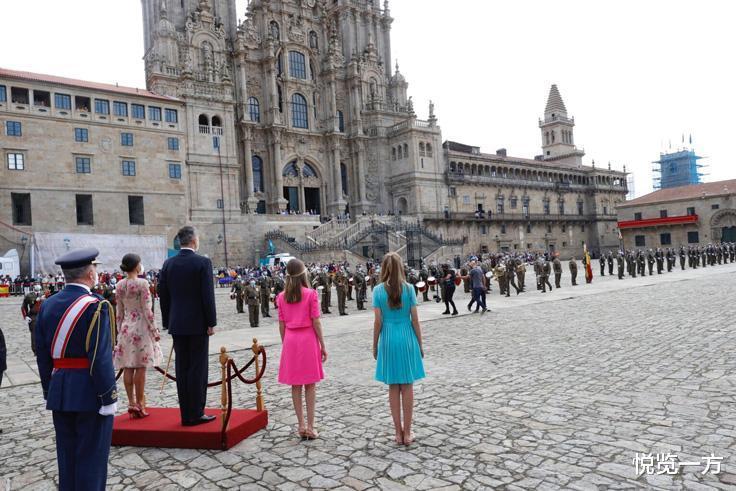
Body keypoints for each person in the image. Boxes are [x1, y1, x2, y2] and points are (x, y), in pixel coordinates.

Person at [35, 248, 118, 491]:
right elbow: (100, 357)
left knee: (67, 459)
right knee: (92, 459)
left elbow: (42, 354)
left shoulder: (48, 305)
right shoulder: (97, 306)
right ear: (91, 274)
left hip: (60, 390)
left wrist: (49, 391)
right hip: (90, 392)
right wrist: (108, 396)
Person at [159, 226, 217, 427]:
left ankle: (186, 413)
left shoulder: (168, 264)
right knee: (197, 369)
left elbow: (163, 296)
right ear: (193, 241)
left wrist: (168, 321)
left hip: (177, 324)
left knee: (182, 369)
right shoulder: (202, 262)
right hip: (198, 324)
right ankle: (196, 412)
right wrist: (211, 322)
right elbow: (207, 296)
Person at [372, 252, 425, 446]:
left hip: (388, 338)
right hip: (406, 336)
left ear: (384, 268)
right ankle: (408, 432)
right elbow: (415, 320)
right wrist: (420, 343)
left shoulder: (378, 291)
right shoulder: (409, 288)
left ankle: (397, 432)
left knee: (393, 386)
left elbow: (378, 322)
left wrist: (374, 343)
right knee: (407, 385)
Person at [277, 258, 327, 440]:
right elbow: (316, 321)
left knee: (295, 385)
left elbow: (281, 325)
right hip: (307, 339)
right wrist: (323, 344)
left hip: (291, 339)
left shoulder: (281, 297)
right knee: (310, 384)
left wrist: (286, 343)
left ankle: (300, 425)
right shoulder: (311, 294)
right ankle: (311, 426)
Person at [113, 253, 163, 418]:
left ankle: (131, 402)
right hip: (141, 327)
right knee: (140, 367)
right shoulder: (142, 283)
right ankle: (140, 404)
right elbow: (147, 310)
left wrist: (119, 331)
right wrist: (154, 330)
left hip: (126, 327)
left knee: (128, 366)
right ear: (136, 266)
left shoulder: (119, 285)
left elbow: (118, 311)